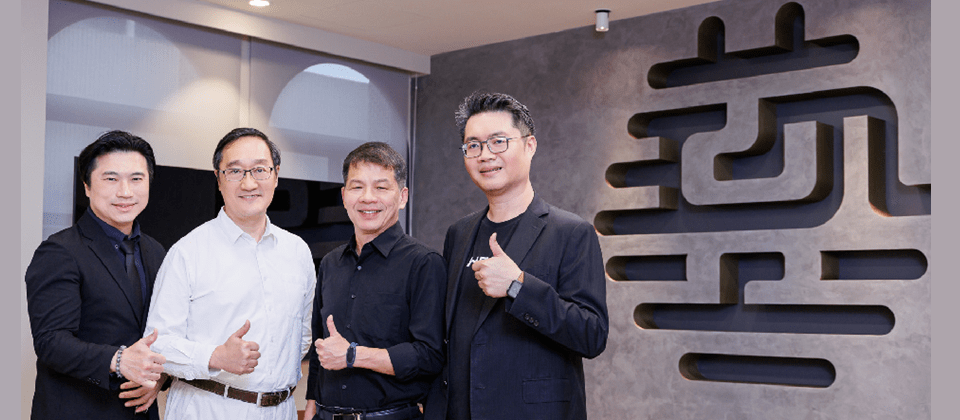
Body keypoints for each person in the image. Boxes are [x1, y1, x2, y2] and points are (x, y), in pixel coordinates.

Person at [424, 92, 609, 420]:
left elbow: (591, 335)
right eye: (473, 145)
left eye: (498, 142)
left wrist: (518, 286)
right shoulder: (459, 233)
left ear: (529, 145)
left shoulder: (570, 232)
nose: (485, 155)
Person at [145, 127, 316, 419]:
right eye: (235, 171)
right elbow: (157, 344)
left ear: (276, 175)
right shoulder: (188, 252)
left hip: (282, 410)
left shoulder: (297, 251)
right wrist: (216, 357)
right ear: (219, 179)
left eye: (260, 169)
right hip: (210, 408)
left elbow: (301, 337)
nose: (249, 183)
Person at [25, 130, 168, 419]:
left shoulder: (156, 251)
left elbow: (163, 331)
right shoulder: (59, 251)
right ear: (87, 186)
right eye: (111, 179)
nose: (125, 192)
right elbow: (51, 341)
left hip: (140, 411)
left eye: (136, 179)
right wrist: (119, 360)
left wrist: (160, 379)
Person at [303, 142, 446, 420]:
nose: (368, 198)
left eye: (381, 187)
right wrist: (311, 404)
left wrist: (354, 355)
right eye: (357, 187)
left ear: (402, 197)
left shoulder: (424, 263)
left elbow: (430, 356)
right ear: (344, 196)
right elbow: (323, 346)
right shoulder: (331, 263)